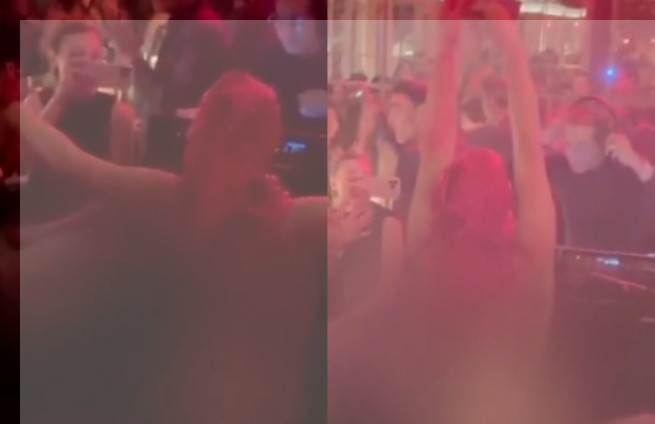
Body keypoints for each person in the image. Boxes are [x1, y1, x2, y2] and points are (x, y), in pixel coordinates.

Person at [8, 70, 326, 423]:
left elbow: (68, 161)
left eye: (201, 125)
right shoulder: (288, 222)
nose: (190, 134)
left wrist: (11, 107)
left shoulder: (168, 199)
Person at [329, 3, 559, 423]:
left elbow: (435, 151)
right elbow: (528, 150)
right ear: (509, 210)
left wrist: (448, 45)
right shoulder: (527, 266)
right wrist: (509, 45)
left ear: (446, 204)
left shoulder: (427, 251)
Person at [21, 22, 138, 224]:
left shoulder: (118, 112)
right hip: (41, 209)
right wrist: (60, 98)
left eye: (95, 56)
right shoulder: (36, 102)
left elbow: (120, 188)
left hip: (90, 219)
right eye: (76, 56)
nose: (87, 64)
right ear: (54, 58)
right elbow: (25, 163)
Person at [104, 0, 232, 171]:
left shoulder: (200, 28)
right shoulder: (186, 22)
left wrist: (134, 56)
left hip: (177, 153)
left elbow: (169, 99)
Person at [547, 96, 655, 253]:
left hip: (619, 267)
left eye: (582, 146)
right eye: (569, 143)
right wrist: (543, 138)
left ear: (606, 143)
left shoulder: (626, 175)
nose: (572, 153)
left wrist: (638, 165)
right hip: (573, 267)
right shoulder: (558, 166)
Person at [328, 154, 404, 321]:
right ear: (333, 183)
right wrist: (335, 246)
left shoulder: (389, 223)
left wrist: (344, 327)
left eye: (363, 176)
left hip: (363, 325)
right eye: (351, 178)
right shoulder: (326, 222)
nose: (358, 181)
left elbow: (387, 295)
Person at [250, 0, 328, 134]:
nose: (285, 31)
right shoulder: (267, 65)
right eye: (278, 20)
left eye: (295, 20)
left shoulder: (341, 65)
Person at [381, 79, 427, 220]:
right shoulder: (403, 157)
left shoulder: (441, 160)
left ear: (421, 112)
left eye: (397, 109)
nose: (390, 119)